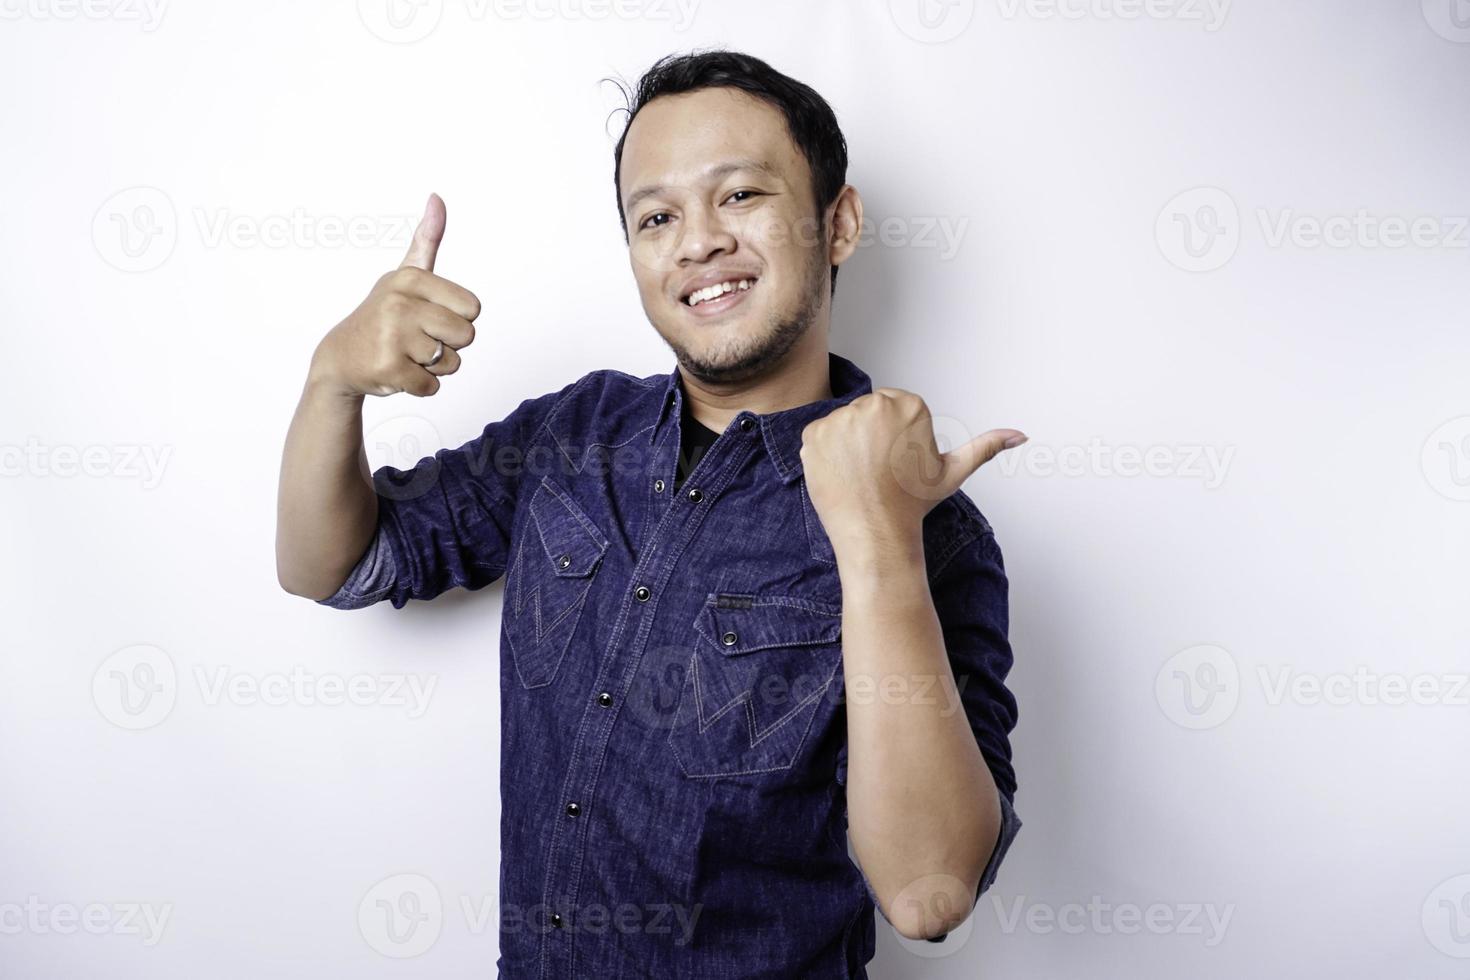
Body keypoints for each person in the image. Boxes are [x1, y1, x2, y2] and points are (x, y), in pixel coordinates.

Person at [276, 49, 1024, 979]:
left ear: (838, 223)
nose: (698, 241)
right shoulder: (569, 433)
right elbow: (334, 565)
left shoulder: (931, 528)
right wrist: (331, 382)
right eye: (657, 216)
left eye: (741, 195)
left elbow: (931, 890)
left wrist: (877, 546)